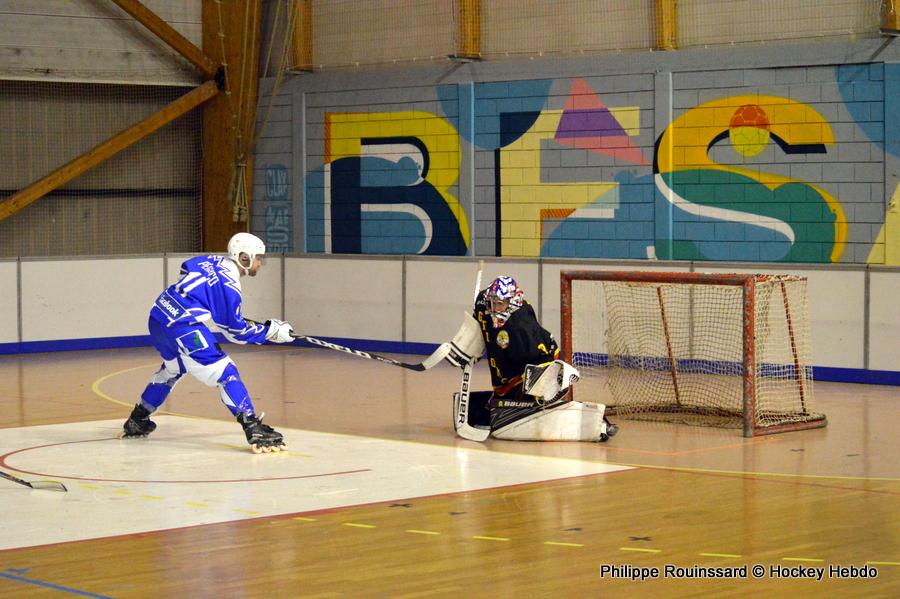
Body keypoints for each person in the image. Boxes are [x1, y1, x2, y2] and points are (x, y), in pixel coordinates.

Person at [119, 232, 295, 453]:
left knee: (173, 369)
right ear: (243, 257)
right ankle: (253, 428)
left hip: (158, 317)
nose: (261, 263)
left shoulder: (211, 260)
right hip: (184, 327)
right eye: (258, 257)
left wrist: (264, 327)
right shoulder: (230, 287)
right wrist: (270, 333)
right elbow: (236, 332)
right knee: (226, 373)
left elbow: (187, 267)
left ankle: (138, 420)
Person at [450, 275, 617, 442]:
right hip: (507, 370)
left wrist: (540, 387)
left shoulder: (521, 327)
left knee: (534, 399)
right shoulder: (483, 303)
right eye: (491, 303)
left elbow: (542, 358)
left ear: (513, 302)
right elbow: (481, 318)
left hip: (535, 363)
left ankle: (597, 423)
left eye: (499, 304)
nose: (494, 309)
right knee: (496, 405)